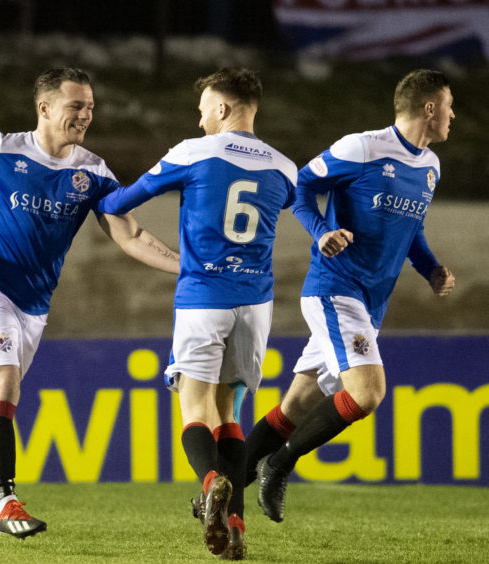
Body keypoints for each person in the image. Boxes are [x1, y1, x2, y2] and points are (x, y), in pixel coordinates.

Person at [0, 67, 179, 539]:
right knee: (5, 383)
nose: (85, 116)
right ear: (44, 108)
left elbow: (131, 235)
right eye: (75, 106)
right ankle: (5, 502)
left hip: (33, 308)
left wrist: (186, 267)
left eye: (89, 107)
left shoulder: (93, 172)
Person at [99, 67, 297, 559]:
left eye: (206, 107)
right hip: (255, 306)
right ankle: (235, 530)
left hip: (204, 296)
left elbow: (122, 201)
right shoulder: (285, 168)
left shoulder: (193, 151)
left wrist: (98, 198)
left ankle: (210, 482)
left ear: (224, 108)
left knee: (194, 410)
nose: (201, 116)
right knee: (230, 413)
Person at [247, 69, 456, 523]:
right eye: (449, 105)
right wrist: (322, 232)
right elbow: (301, 186)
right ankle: (280, 464)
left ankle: (219, 485)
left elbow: (411, 231)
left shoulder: (430, 168)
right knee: (368, 392)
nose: (453, 115)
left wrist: (431, 268)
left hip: (368, 304)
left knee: (296, 407)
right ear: (429, 108)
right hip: (334, 289)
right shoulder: (362, 147)